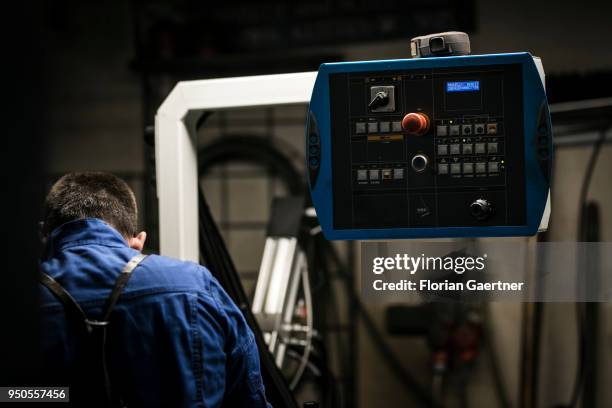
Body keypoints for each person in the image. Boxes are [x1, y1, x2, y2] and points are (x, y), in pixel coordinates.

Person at [39, 171, 271, 407]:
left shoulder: (15, 301)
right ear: (138, 241)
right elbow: (248, 398)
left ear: (42, 238)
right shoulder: (195, 285)